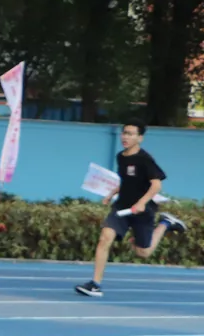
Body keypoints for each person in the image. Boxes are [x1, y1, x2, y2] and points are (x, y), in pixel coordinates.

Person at [76, 121, 187, 297]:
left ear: (140, 138)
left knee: (143, 252)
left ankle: (165, 223)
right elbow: (126, 181)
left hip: (143, 211)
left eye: (130, 134)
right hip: (122, 208)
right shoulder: (121, 157)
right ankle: (95, 284)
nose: (125, 137)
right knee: (105, 238)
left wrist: (141, 203)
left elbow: (156, 185)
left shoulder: (145, 159)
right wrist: (111, 193)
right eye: (124, 133)